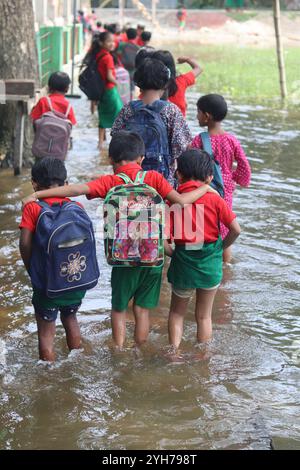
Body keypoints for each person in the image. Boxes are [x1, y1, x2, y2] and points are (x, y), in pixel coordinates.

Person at [22, 132, 217, 350]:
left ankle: (118, 348)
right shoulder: (153, 178)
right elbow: (180, 201)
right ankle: (139, 349)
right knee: (142, 310)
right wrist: (206, 188)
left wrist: (38, 196)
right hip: (152, 259)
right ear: (141, 158)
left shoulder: (111, 181)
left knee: (119, 308)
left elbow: (76, 189)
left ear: (111, 160)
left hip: (123, 259)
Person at [165, 149, 241, 352]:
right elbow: (236, 229)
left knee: (177, 313)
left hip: (183, 262)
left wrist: (172, 253)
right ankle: (203, 358)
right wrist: (220, 248)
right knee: (204, 316)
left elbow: (161, 238)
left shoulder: (172, 200)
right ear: (209, 177)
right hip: (210, 264)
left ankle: (173, 353)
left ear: (179, 174)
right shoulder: (214, 198)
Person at [19, 158, 87, 362]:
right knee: (70, 317)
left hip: (48, 284)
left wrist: (32, 269)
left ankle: (49, 372)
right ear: (66, 184)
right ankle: (76, 360)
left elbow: (24, 244)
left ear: (34, 184)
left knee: (46, 332)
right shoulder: (76, 207)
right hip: (75, 280)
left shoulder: (33, 209)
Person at [112, 58, 192, 184]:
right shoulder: (171, 111)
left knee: (129, 203)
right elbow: (181, 147)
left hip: (129, 180)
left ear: (138, 82)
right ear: (165, 84)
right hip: (161, 183)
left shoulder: (128, 109)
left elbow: (116, 139)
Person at [191, 94, 251, 262]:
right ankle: (225, 269)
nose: (197, 116)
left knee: (203, 224)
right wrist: (234, 178)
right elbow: (244, 164)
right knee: (225, 225)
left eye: (198, 112)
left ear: (207, 116)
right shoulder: (231, 140)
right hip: (225, 189)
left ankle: (201, 261)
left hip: (205, 187)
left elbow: (191, 162)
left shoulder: (199, 140)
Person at [152, 50, 202, 117]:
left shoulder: (150, 83)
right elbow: (198, 68)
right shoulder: (182, 80)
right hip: (178, 124)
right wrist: (187, 59)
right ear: (172, 66)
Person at [96, 32, 123, 151]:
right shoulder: (108, 57)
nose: (112, 44)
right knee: (118, 115)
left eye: (113, 41)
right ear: (102, 43)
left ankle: (101, 143)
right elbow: (109, 76)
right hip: (110, 90)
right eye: (109, 41)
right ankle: (115, 143)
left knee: (103, 114)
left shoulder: (99, 55)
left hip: (102, 90)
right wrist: (119, 84)